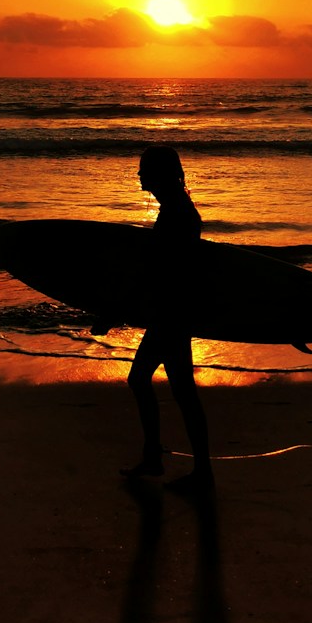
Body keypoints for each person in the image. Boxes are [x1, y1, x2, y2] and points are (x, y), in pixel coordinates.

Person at [123, 144, 213, 490]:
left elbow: (158, 273)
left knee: (147, 381)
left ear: (160, 173)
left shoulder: (176, 213)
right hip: (175, 312)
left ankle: (162, 461)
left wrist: (119, 310)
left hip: (171, 314)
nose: (139, 175)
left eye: (144, 169)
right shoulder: (178, 210)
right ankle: (181, 466)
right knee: (180, 389)